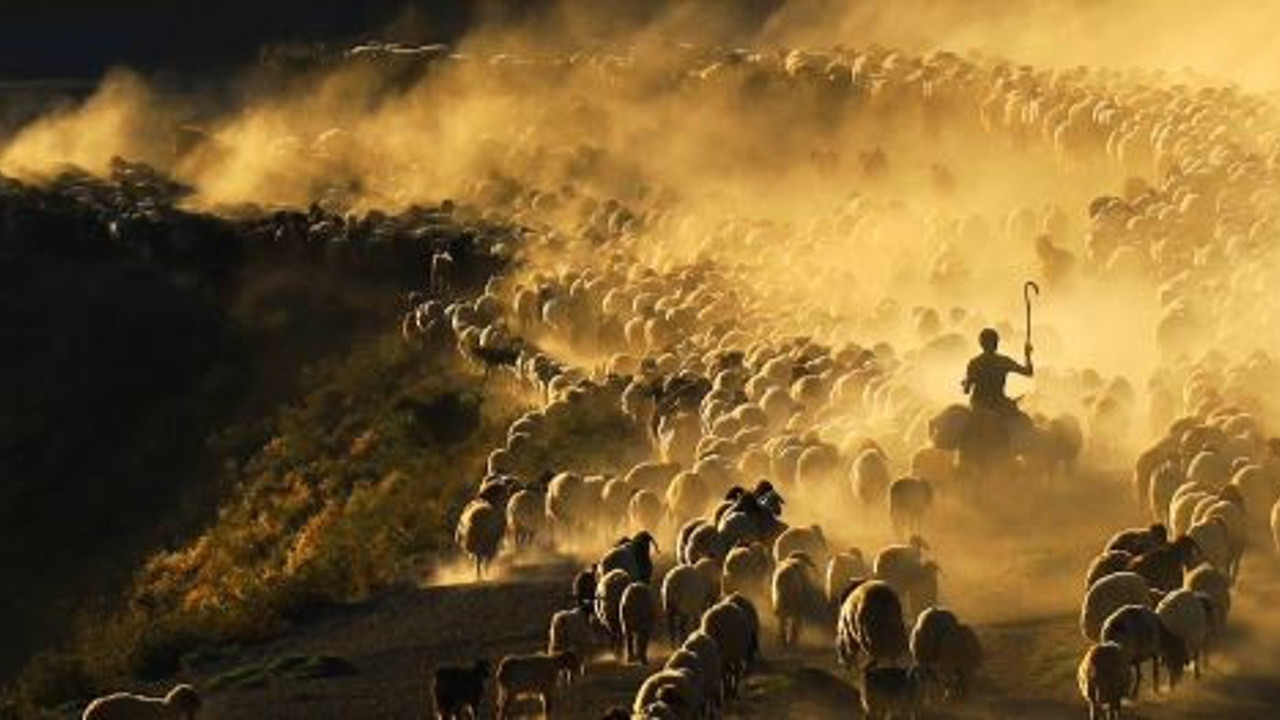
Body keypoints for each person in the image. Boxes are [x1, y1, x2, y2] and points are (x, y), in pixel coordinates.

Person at [962, 328, 1033, 417]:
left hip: (979, 406)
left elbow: (966, 390)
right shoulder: (1003, 361)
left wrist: (965, 383)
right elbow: (1028, 372)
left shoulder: (974, 363)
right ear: (996, 343)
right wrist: (1028, 356)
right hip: (999, 405)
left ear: (981, 344)